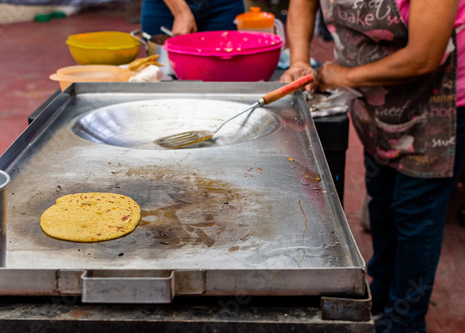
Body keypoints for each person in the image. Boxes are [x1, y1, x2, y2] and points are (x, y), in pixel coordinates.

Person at [280, 0, 465, 332]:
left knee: (415, 213)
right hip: (374, 99)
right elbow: (302, 4)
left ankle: (404, 320)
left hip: (436, 99)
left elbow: (425, 54)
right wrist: (298, 61)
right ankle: (379, 295)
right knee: (382, 200)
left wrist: (345, 74)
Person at [141, 0, 245, 36]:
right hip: (165, 6)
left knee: (226, 75)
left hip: (224, 5)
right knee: (161, 76)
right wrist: (180, 11)